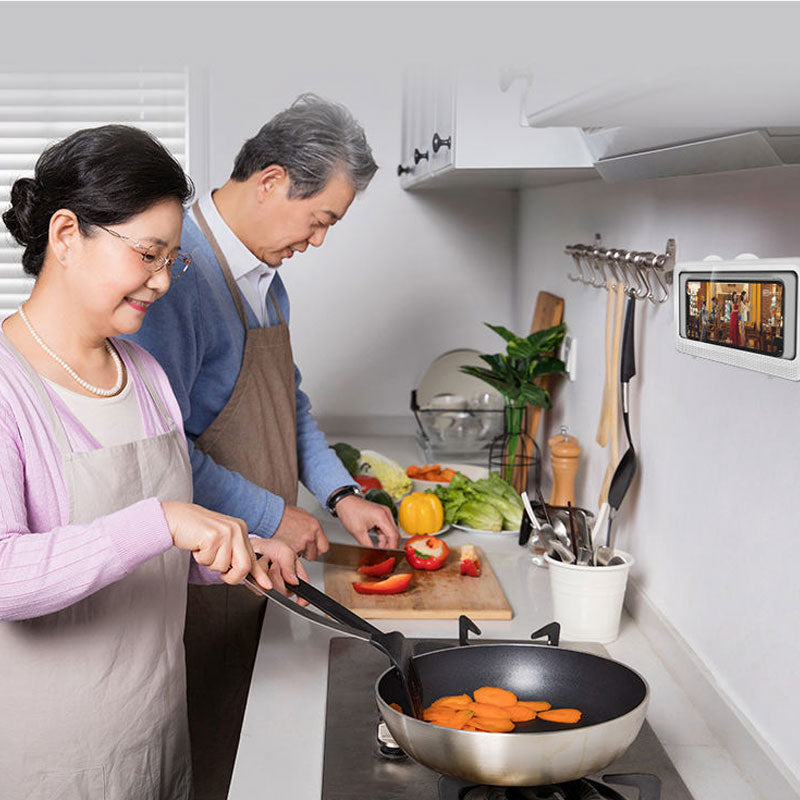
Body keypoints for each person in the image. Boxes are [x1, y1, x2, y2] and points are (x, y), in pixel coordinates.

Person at [0, 125, 303, 799]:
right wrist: (166, 520)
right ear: (67, 234)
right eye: (148, 255)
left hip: (156, 739)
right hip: (48, 764)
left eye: (173, 260)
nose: (164, 282)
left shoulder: (143, 373)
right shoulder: (7, 385)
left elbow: (148, 559)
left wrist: (235, 551)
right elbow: (6, 576)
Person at [128, 94, 400, 798]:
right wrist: (275, 515)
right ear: (273, 181)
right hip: (204, 578)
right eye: (320, 220)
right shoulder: (177, 275)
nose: (318, 241)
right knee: (206, 760)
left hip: (260, 572)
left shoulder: (265, 283)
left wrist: (342, 492)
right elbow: (160, 451)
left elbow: (290, 402)